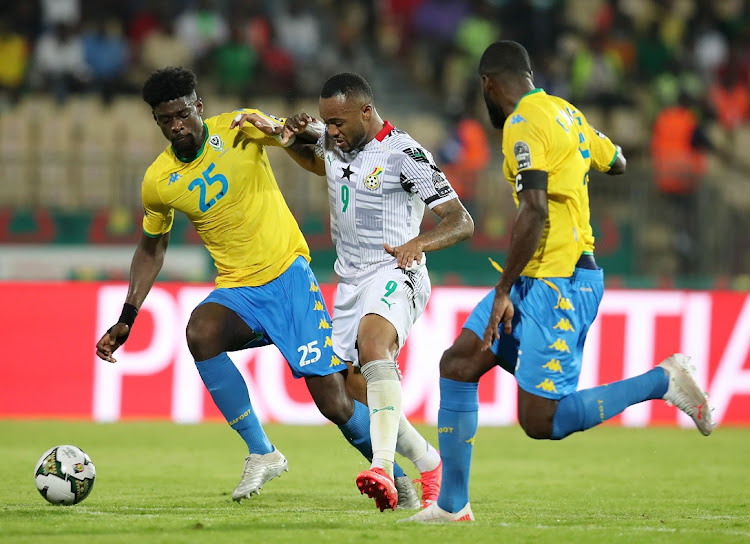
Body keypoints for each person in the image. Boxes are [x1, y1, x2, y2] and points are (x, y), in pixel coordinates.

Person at [403, 41, 713, 523]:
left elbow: (534, 208)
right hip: (537, 275)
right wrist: (579, 151)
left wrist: (503, 291)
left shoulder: (523, 124)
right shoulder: (566, 113)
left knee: (540, 422)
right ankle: (451, 505)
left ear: (488, 84)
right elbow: (619, 161)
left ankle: (664, 380)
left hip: (560, 282)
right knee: (459, 363)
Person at [94, 66, 419, 506]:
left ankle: (396, 478)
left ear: (199, 108)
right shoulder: (159, 182)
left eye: (183, 114)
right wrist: (127, 317)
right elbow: (152, 249)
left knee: (335, 405)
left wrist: (299, 130)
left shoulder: (239, 127)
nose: (177, 126)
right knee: (200, 331)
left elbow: (299, 142)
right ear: (156, 121)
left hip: (288, 277)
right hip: (238, 291)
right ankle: (262, 452)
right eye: (166, 119)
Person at [247, 72, 474, 511]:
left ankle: (382, 468)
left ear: (366, 111)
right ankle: (431, 464)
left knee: (374, 349)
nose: (331, 131)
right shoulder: (337, 145)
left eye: (338, 122)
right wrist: (285, 135)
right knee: (353, 385)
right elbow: (319, 162)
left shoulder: (405, 154)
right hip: (350, 281)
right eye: (326, 122)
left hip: (395, 270)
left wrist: (418, 243)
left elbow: (461, 220)